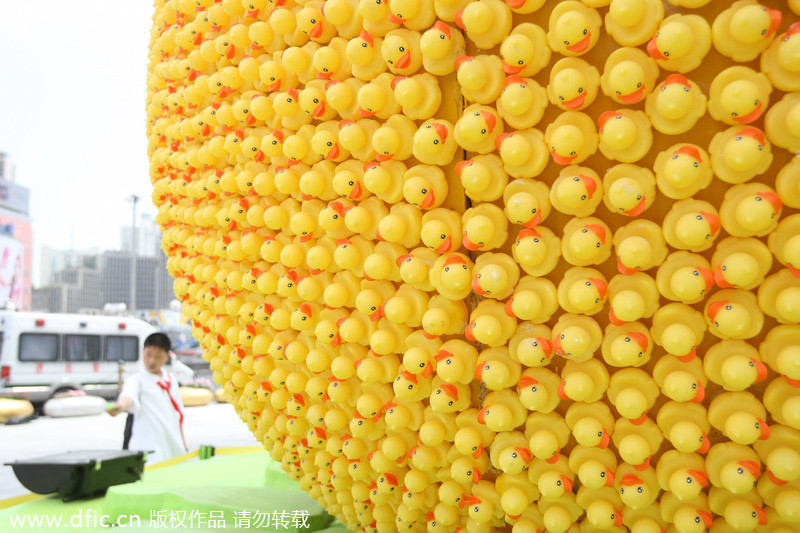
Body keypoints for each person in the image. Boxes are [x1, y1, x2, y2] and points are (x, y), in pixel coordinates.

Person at [107, 333, 187, 464]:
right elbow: (128, 396)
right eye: (148, 355)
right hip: (148, 453)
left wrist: (184, 445)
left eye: (158, 356)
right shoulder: (136, 380)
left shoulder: (171, 380)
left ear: (167, 356)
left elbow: (178, 415)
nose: (152, 361)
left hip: (173, 451)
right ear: (142, 352)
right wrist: (120, 406)